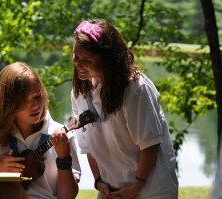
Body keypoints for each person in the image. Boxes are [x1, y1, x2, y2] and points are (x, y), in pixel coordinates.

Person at [71, 18, 178, 199]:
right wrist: (99, 181)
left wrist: (134, 189)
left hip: (150, 190)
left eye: (87, 59)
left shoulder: (135, 89)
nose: (78, 64)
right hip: (112, 189)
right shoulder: (80, 92)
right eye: (75, 56)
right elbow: (89, 146)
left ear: (107, 58)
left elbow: (149, 145)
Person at [0, 62, 81, 199]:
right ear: (8, 103)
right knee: (7, 185)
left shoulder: (60, 135)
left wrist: (64, 158)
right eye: (24, 101)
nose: (35, 105)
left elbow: (68, 197)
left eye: (37, 97)